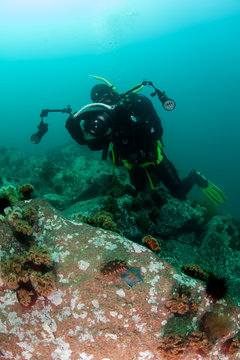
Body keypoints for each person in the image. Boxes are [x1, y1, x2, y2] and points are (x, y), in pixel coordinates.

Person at [65, 80, 226, 205]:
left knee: (178, 192)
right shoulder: (104, 120)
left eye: (107, 97)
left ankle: (195, 176)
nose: (106, 102)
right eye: (100, 101)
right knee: (141, 194)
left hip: (154, 156)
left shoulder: (137, 103)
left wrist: (130, 119)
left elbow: (157, 131)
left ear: (114, 94)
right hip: (132, 164)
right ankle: (153, 181)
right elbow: (94, 146)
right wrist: (74, 130)